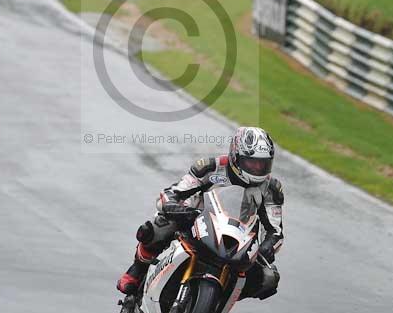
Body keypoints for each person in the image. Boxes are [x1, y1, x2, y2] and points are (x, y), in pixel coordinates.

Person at [117, 126, 284, 301]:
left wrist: (268, 247)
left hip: (240, 238)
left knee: (268, 278)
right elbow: (173, 192)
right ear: (236, 156)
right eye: (252, 162)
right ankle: (137, 269)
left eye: (263, 163)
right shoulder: (211, 167)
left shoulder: (272, 189)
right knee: (156, 227)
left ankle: (219, 299)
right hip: (197, 220)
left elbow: (276, 231)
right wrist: (175, 207)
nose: (258, 168)